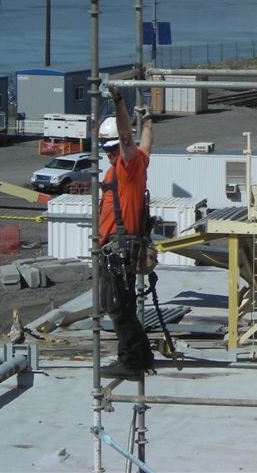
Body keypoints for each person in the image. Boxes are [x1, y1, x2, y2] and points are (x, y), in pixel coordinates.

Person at [97, 85, 155, 380]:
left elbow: (126, 138)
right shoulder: (138, 161)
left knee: (117, 307)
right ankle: (141, 356)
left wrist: (119, 102)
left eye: (110, 150)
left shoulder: (127, 165)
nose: (109, 155)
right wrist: (148, 123)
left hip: (119, 251)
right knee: (123, 305)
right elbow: (145, 144)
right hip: (120, 249)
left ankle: (132, 361)